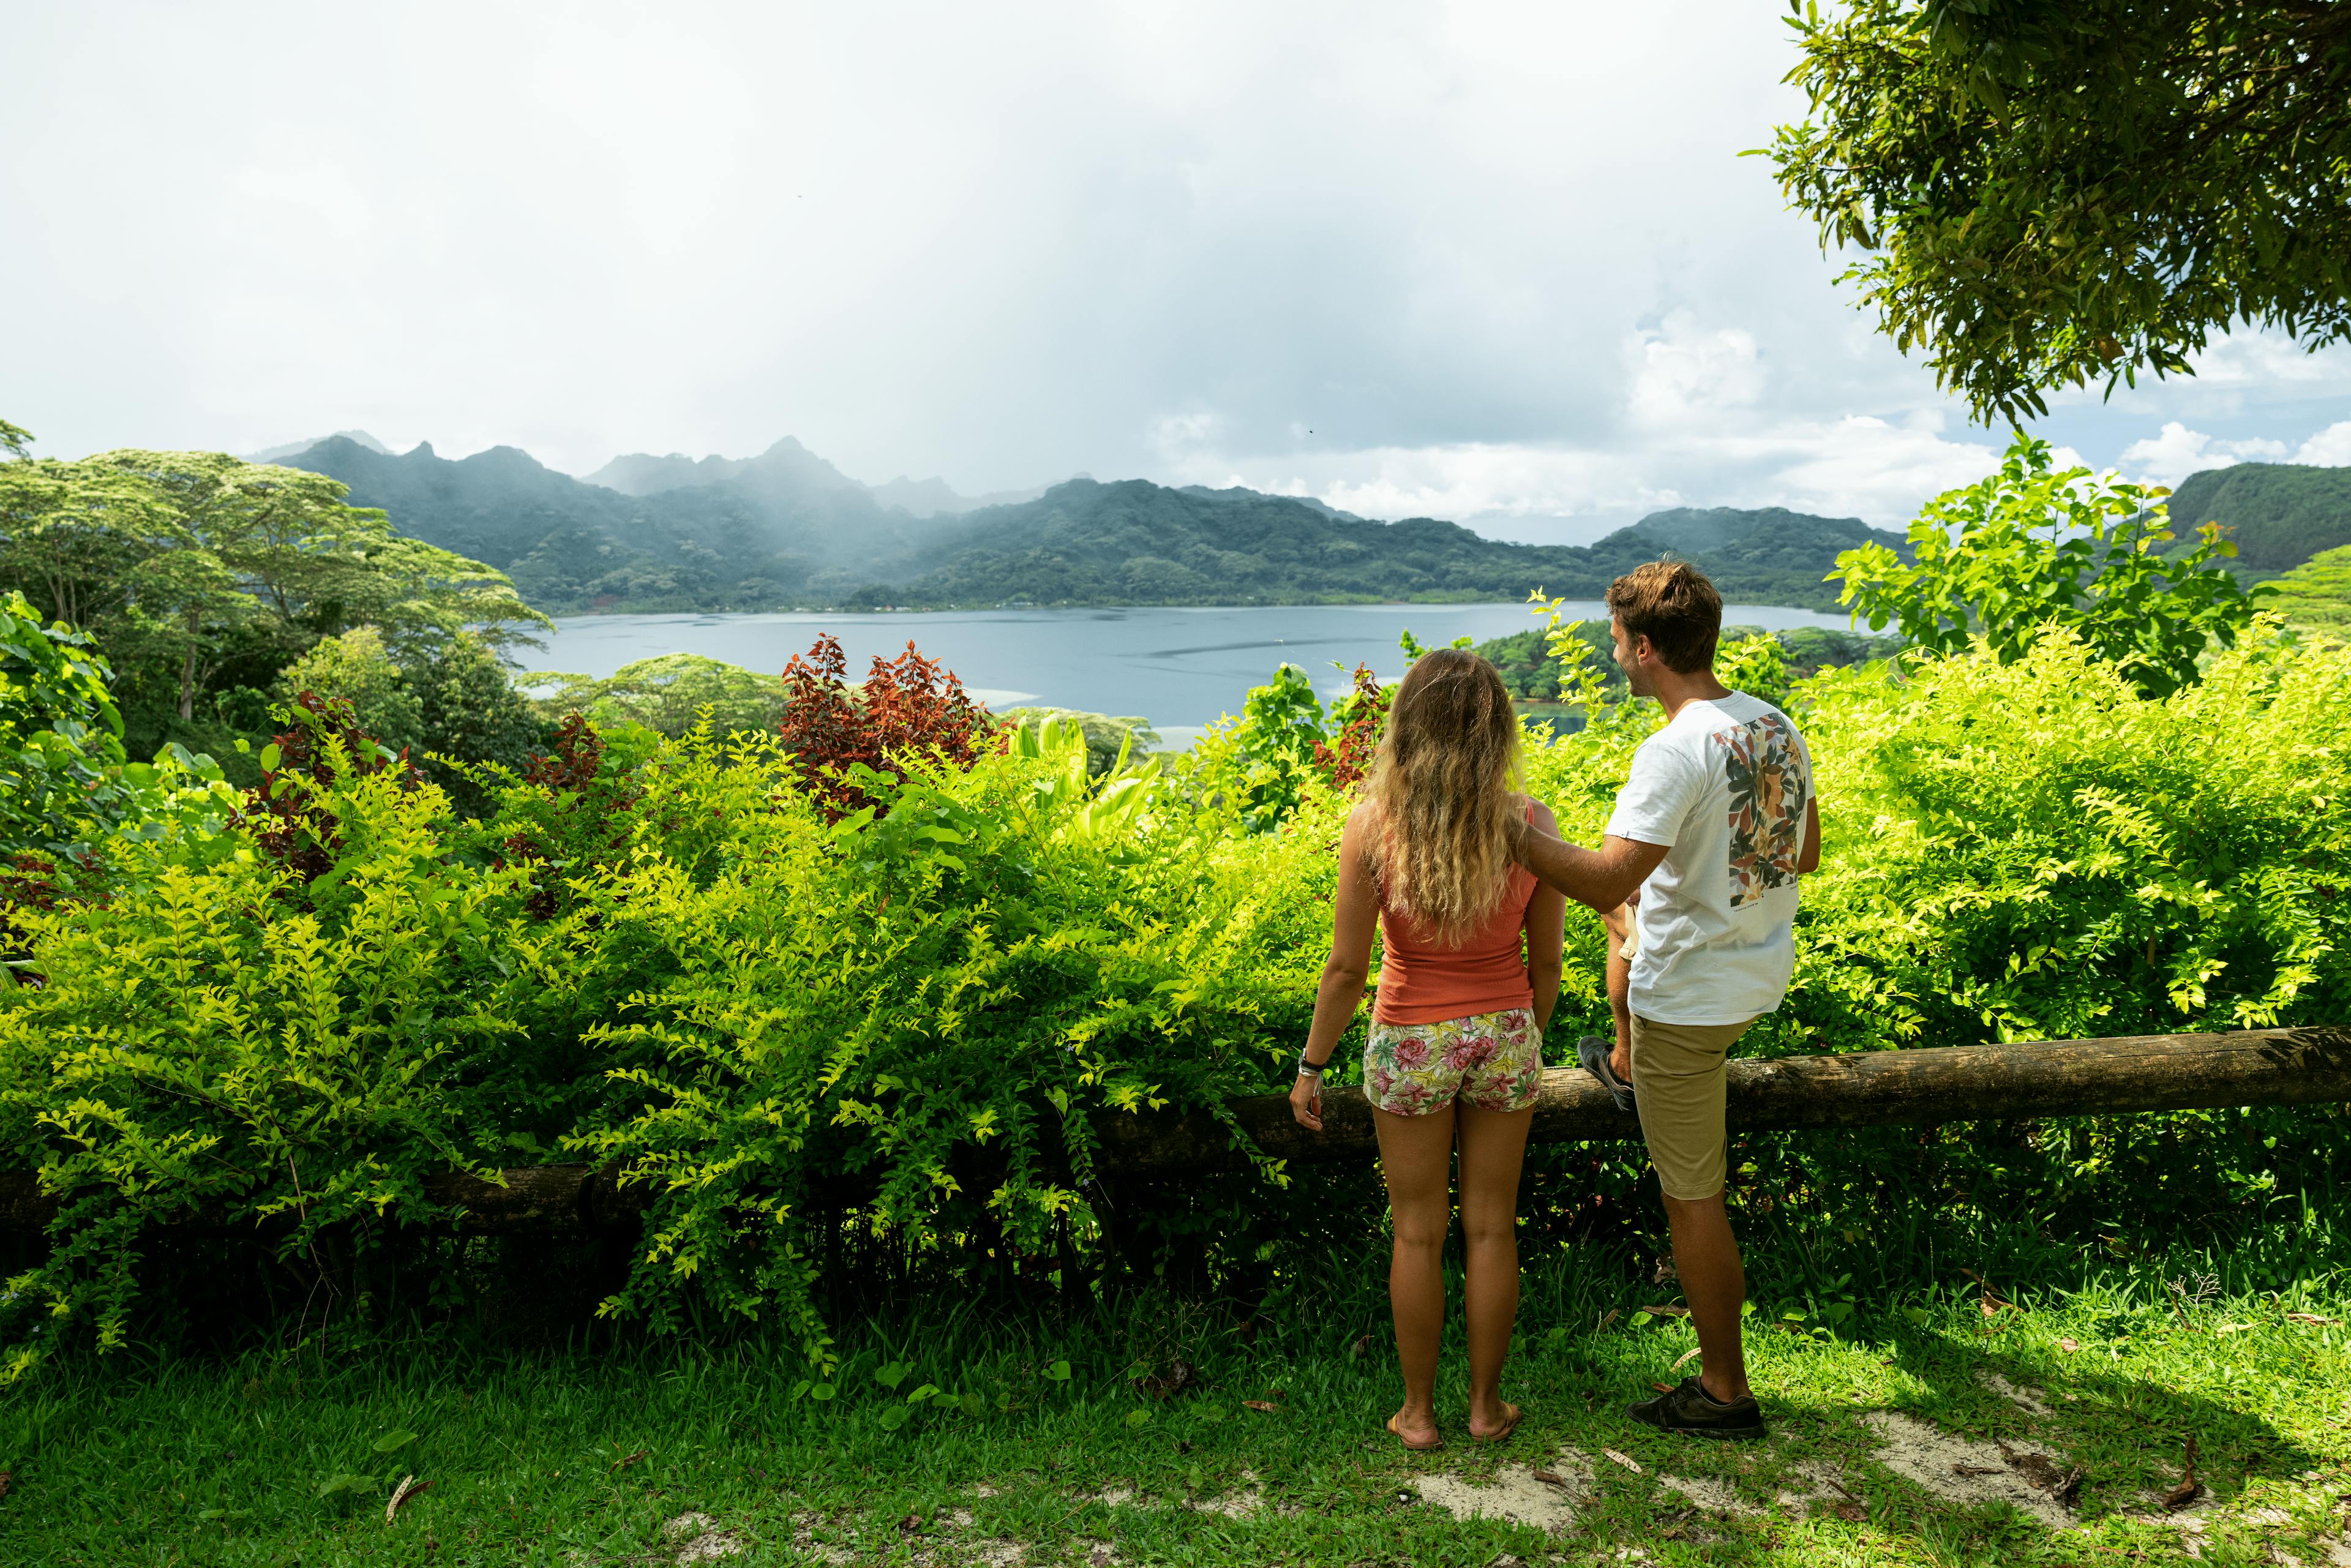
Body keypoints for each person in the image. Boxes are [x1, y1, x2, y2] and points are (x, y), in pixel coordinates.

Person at [1509, 562, 1820, 1441]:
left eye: (1616, 640)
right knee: (1630, 917)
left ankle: (1724, 1390)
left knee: (1695, 1198)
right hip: (1754, 970)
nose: (1614, 653)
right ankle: (1624, 1061)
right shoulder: (1773, 724)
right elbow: (1807, 851)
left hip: (1688, 1000)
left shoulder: (1673, 747)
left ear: (1645, 649)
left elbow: (1605, 873)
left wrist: (1514, 833)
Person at [1288, 650, 1567, 1451]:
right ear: (1497, 731)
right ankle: (1486, 1407)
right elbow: (1545, 964)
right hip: (1505, 1032)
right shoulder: (1532, 825)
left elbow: (1346, 969)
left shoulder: (1373, 824)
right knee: (1491, 1228)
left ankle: (1418, 1412)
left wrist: (1311, 1067)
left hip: (1409, 1035)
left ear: (1406, 728)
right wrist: (1524, 1030)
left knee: (1417, 1232)